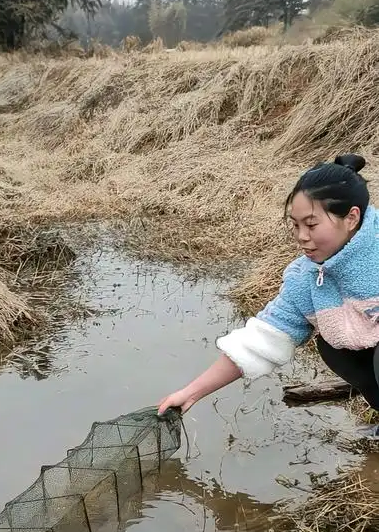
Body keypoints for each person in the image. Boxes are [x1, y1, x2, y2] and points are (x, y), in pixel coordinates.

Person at [158, 154, 379, 429]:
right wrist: (190, 393)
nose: (301, 236)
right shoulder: (306, 277)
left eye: (311, 224)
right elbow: (262, 339)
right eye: (296, 225)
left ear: (351, 218)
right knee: (332, 347)